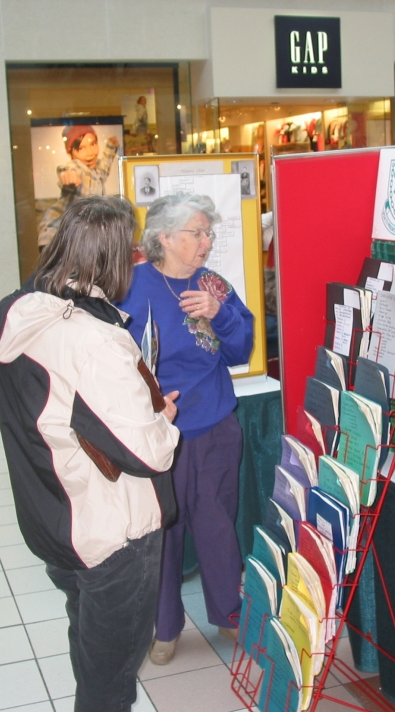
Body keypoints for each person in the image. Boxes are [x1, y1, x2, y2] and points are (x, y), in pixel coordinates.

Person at [0, 196, 181, 712]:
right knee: (111, 680)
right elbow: (150, 454)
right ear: (116, 261)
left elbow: (68, 412)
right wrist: (164, 420)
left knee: (89, 643)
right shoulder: (95, 342)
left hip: (53, 520)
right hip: (111, 535)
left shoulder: (18, 311)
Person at [119, 192, 255, 665]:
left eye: (209, 232)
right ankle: (166, 627)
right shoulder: (130, 285)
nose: (207, 241)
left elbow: (242, 350)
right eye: (198, 232)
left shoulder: (213, 284)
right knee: (164, 532)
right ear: (165, 238)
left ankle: (228, 612)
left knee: (218, 525)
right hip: (158, 433)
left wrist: (221, 315)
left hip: (215, 426)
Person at [37, 125, 120, 250]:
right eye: (81, 148)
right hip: (56, 234)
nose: (90, 152)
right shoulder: (76, 167)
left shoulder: (96, 171)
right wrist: (68, 176)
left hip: (80, 234)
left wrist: (110, 147)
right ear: (70, 152)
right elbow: (67, 170)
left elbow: (104, 168)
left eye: (93, 144)